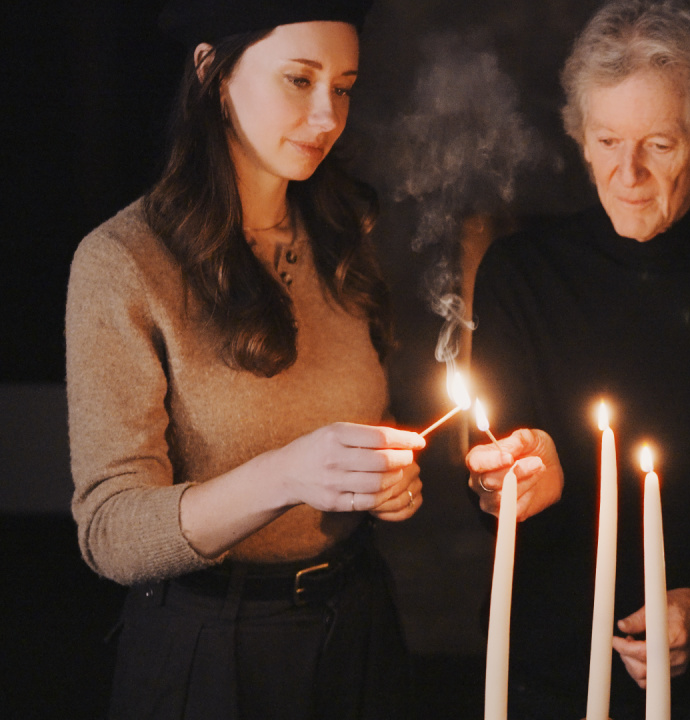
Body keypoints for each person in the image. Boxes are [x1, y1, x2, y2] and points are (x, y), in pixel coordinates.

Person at [462, 1, 690, 718]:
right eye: (607, 140)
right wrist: (506, 482)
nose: (627, 172)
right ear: (580, 137)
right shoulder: (519, 273)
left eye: (659, 146)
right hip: (550, 672)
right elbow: (492, 480)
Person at [64, 1, 427, 717]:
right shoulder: (123, 263)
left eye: (344, 86)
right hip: (210, 647)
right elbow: (110, 533)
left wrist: (391, 481)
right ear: (212, 73)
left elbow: (367, 418)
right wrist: (288, 473)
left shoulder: (342, 237)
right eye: (299, 79)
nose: (328, 116)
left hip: (357, 627)